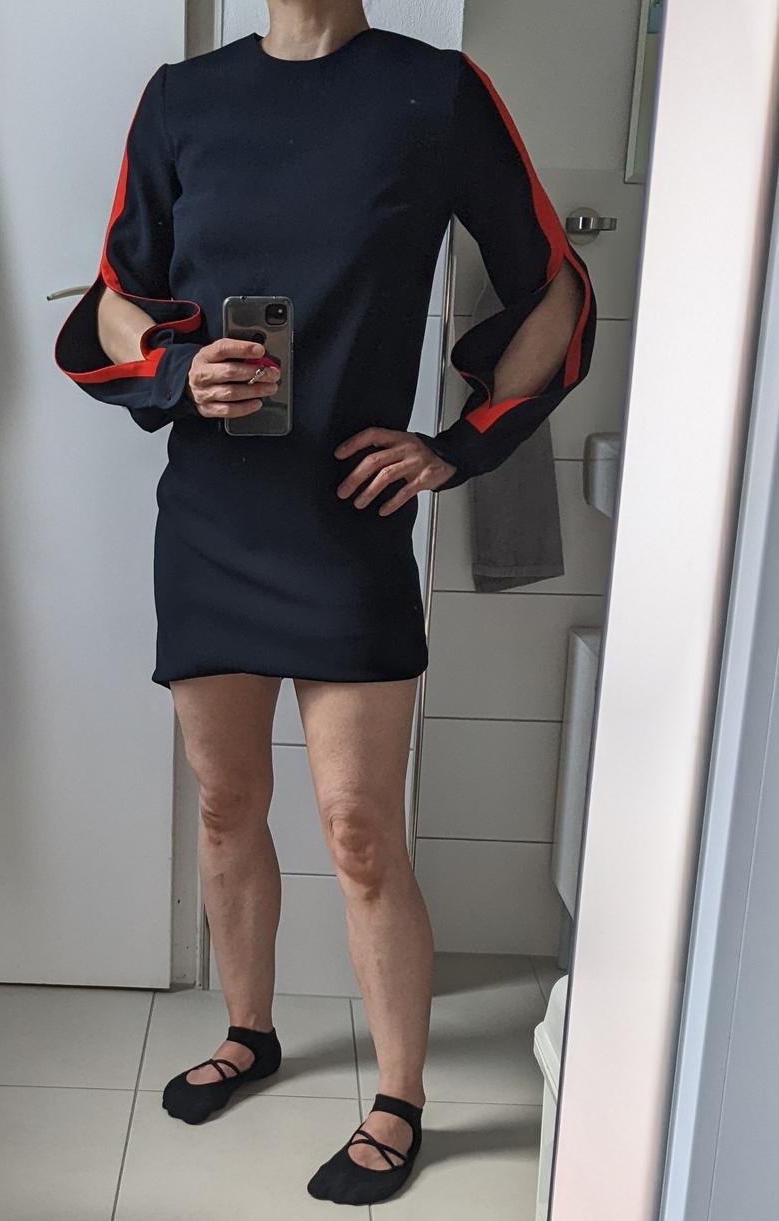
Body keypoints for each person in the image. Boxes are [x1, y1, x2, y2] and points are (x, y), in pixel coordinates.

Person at [55, 0, 596, 1206]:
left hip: (349, 520)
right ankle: (248, 1032)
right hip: (211, 517)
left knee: (357, 830)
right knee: (224, 802)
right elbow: (115, 295)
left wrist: (459, 445)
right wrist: (177, 368)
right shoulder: (181, 99)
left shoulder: (434, 91)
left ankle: (399, 1096)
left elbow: (553, 287)